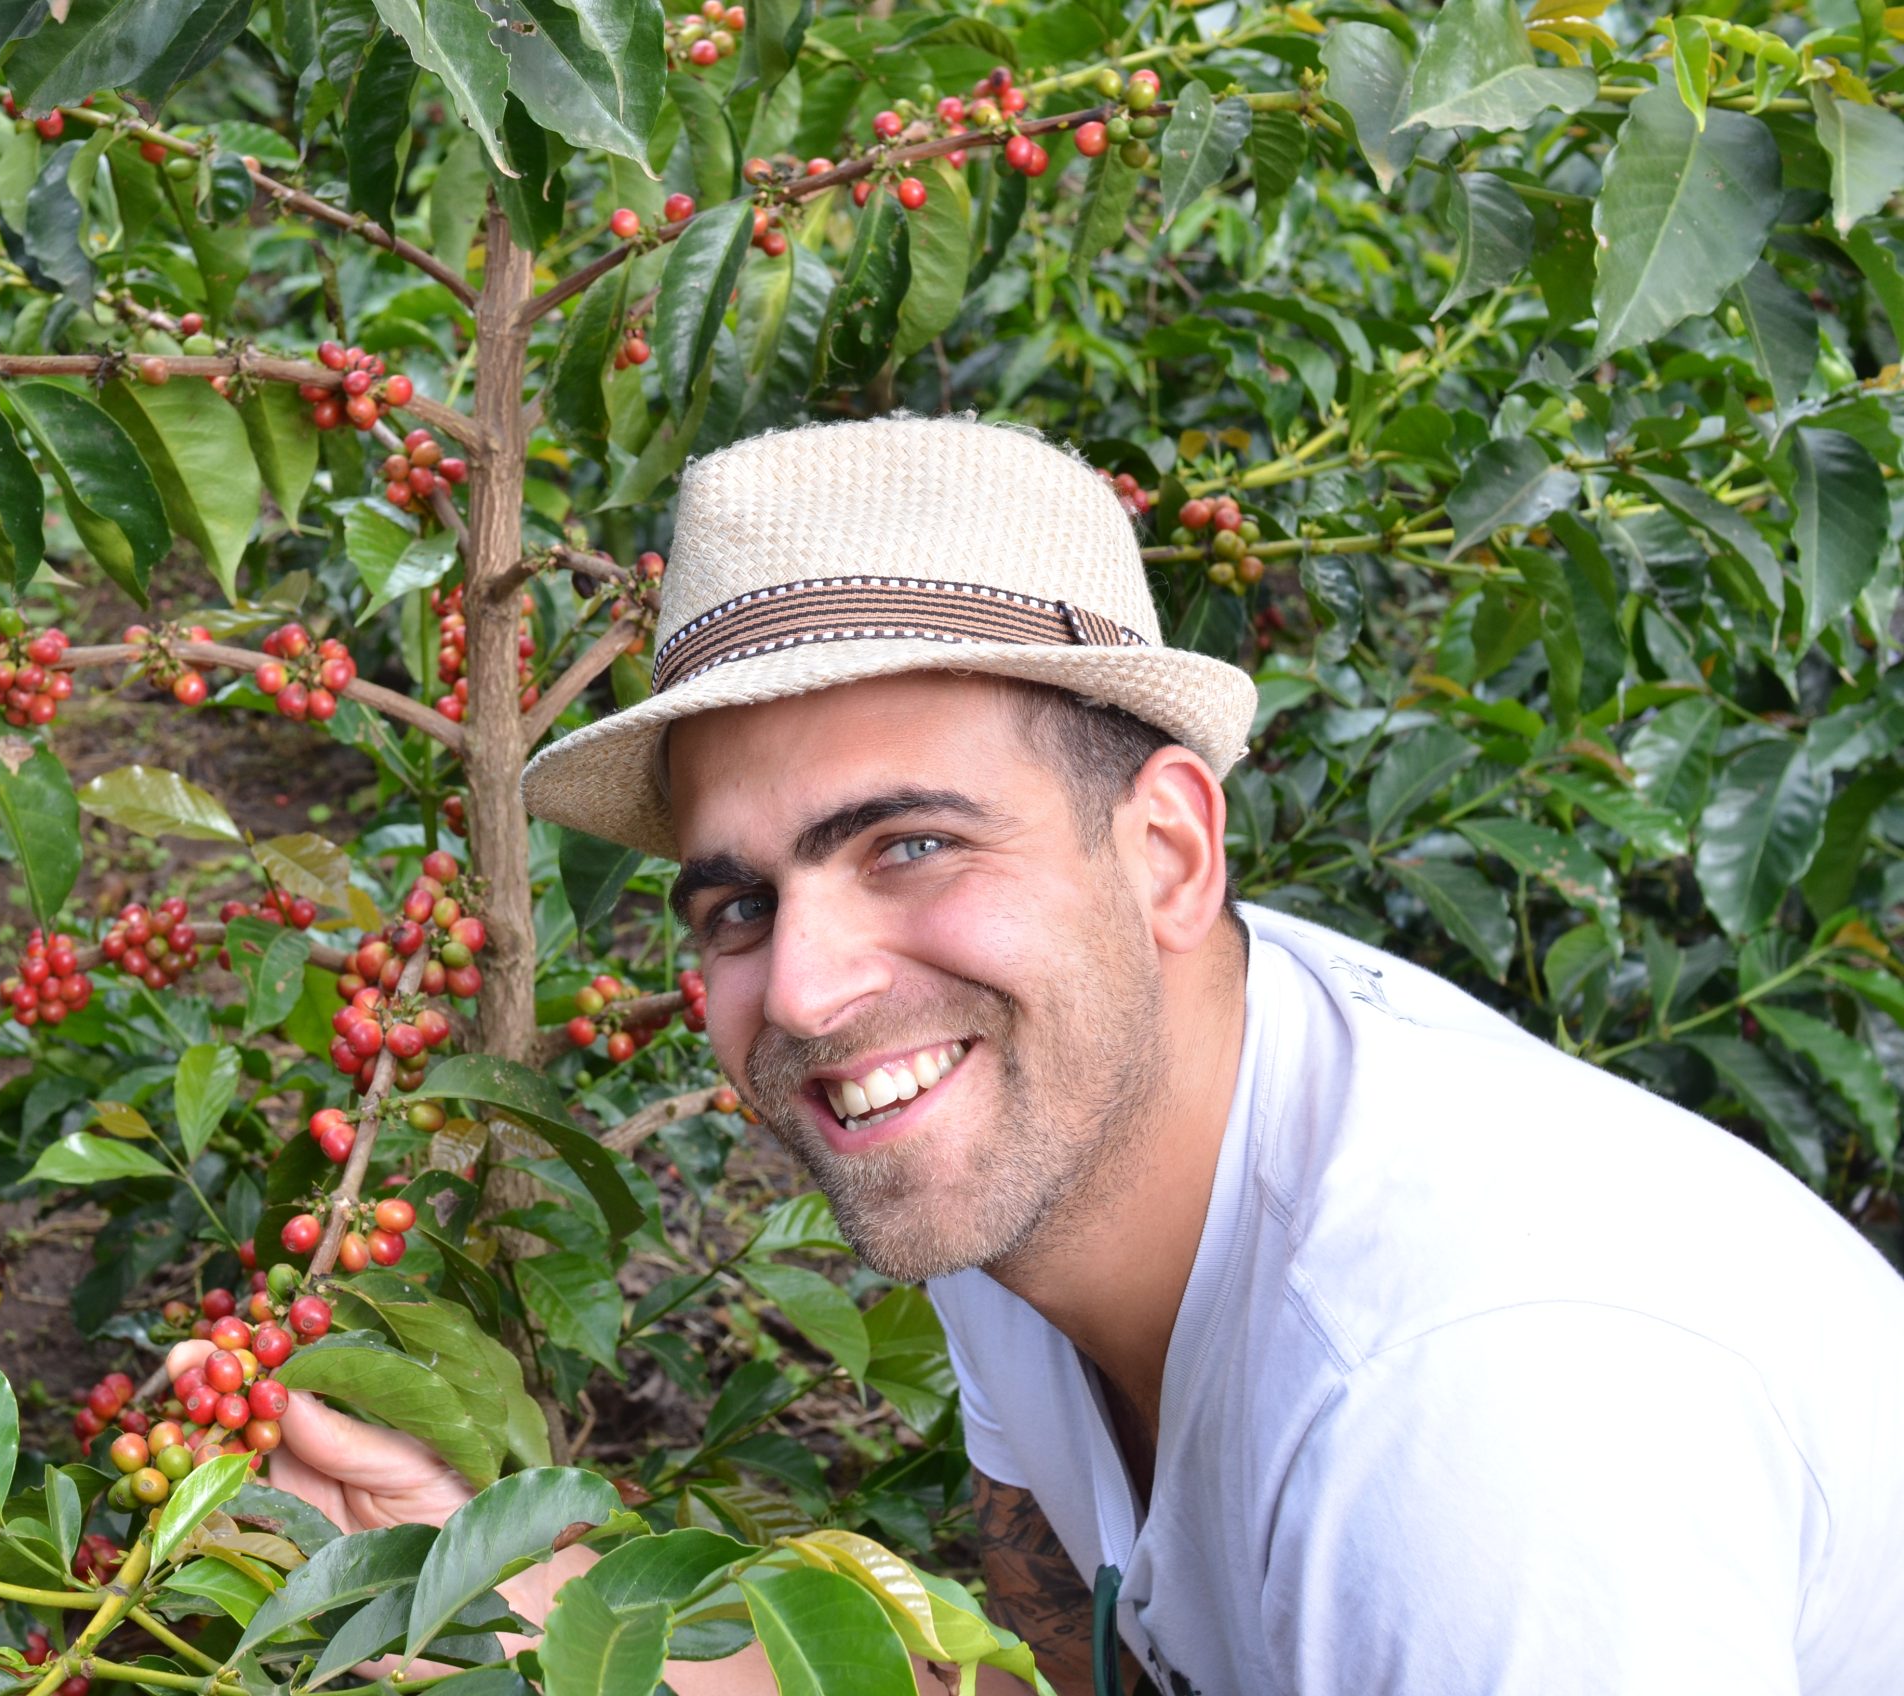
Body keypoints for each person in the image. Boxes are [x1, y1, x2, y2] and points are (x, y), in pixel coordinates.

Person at [267, 415, 1904, 1695]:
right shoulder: (1040, 1135)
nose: (812, 993)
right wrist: (525, 1609)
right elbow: (1067, 1677)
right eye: (739, 906)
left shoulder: (1486, 1433)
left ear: (1169, 855)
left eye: (911, 845)